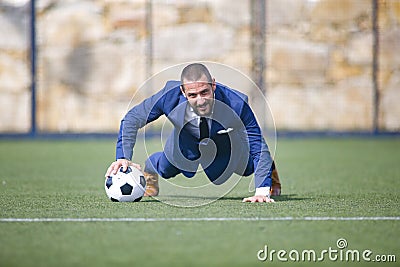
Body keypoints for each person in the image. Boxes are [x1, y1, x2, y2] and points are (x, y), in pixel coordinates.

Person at [105, 63, 281, 203]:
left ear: (213, 85)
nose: (200, 100)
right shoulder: (169, 96)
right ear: (183, 92)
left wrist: (262, 191)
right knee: (166, 169)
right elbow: (132, 119)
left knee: (247, 168)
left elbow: (258, 144)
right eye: (193, 95)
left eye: (205, 92)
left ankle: (269, 169)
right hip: (184, 142)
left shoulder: (237, 103)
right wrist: (123, 156)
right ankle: (151, 167)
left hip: (224, 146)